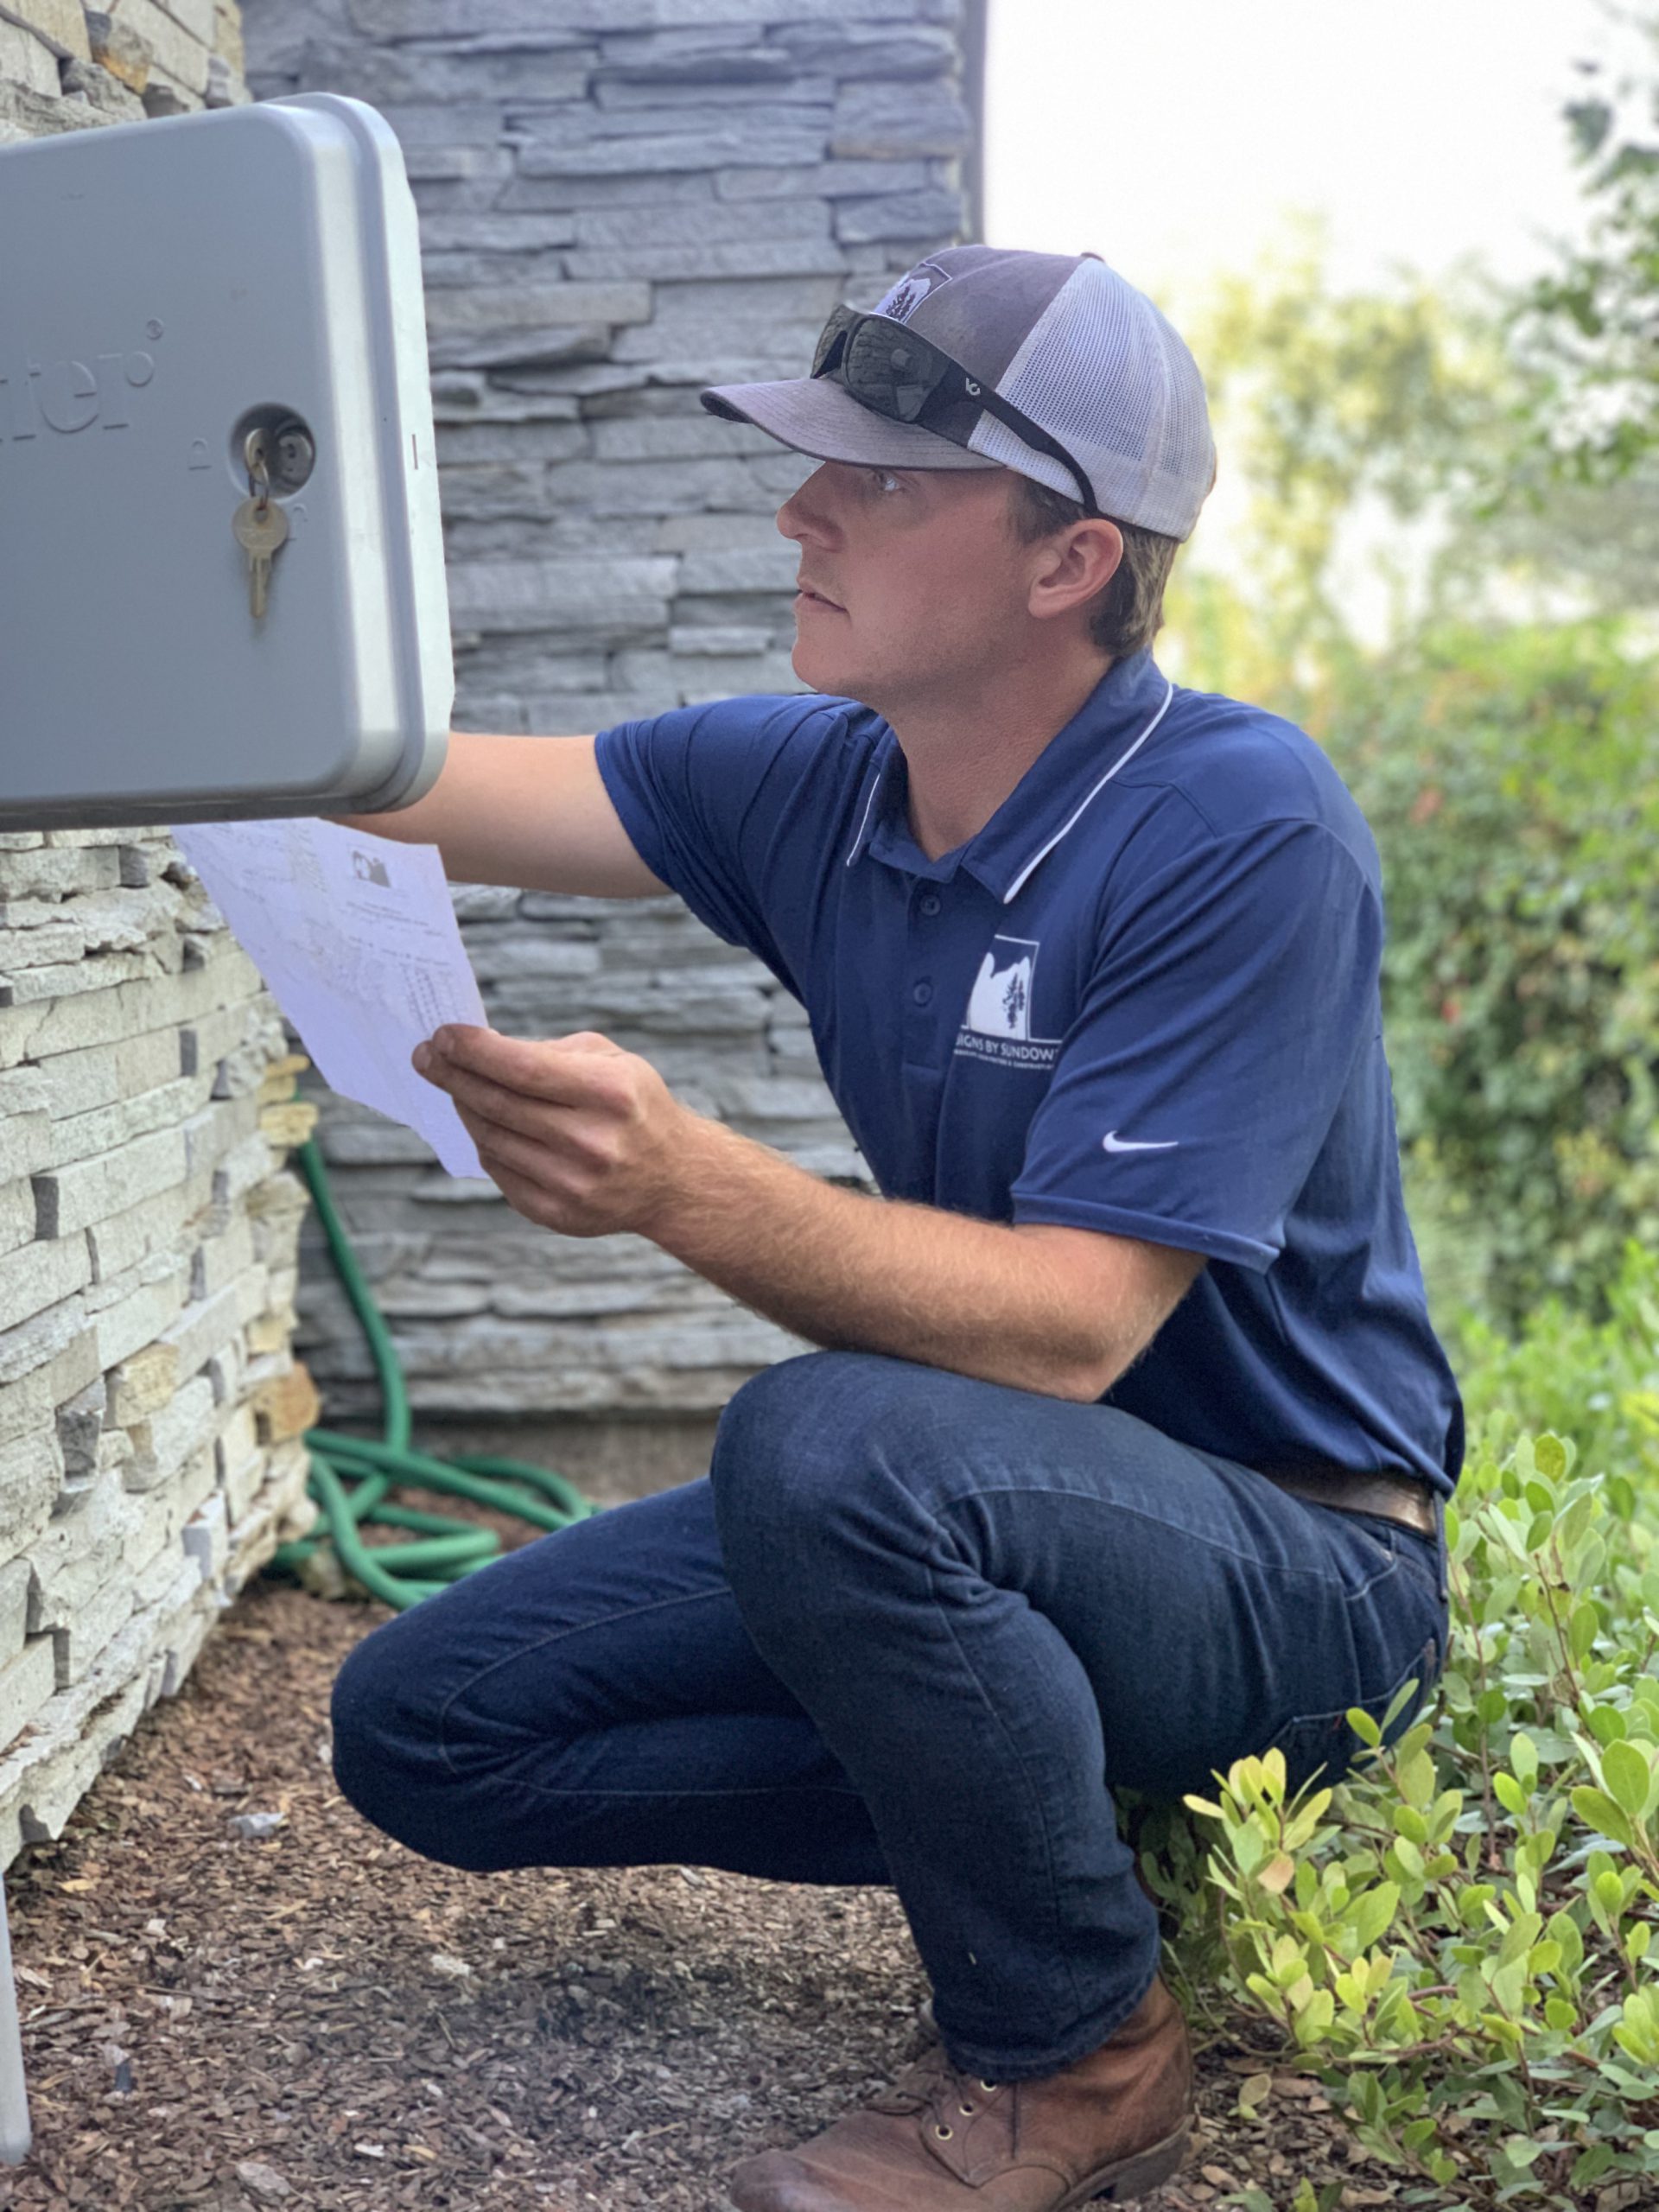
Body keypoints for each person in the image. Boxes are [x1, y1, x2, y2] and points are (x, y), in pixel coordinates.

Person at [324, 245, 1463, 2212]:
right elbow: (415, 791)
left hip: (1294, 1563)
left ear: (1067, 560)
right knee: (423, 1726)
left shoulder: (1240, 825)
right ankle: (1038, 1808)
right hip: (1002, 1532)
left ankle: (1080, 2044)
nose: (801, 509)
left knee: (828, 1440)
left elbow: (1072, 1335)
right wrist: (174, 716)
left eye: (883, 480)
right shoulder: (821, 785)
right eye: (814, 464)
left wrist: (685, 1182)